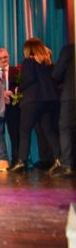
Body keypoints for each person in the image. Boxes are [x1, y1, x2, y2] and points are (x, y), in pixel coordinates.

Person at [10, 38, 61, 173]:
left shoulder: (29, 62)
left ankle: (22, 162)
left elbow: (27, 80)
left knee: (24, 131)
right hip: (48, 101)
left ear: (28, 49)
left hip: (32, 101)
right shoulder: (48, 63)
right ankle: (59, 160)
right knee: (49, 131)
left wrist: (18, 89)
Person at [0, 47, 20, 165]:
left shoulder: (17, 71)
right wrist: (0, 95)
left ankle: (16, 162)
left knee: (15, 135)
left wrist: (11, 94)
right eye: (0, 58)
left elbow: (22, 87)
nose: (3, 60)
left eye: (5, 57)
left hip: (13, 108)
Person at [51, 44, 74, 177]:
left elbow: (57, 74)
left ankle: (67, 165)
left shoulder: (69, 49)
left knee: (65, 128)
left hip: (70, 95)